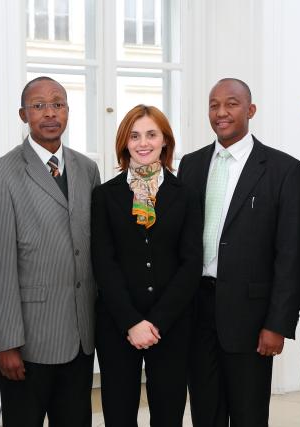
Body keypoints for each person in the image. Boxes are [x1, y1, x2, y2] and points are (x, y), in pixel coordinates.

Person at [178, 78, 300, 427]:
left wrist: (278, 323)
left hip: (251, 318)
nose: (221, 112)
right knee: (206, 412)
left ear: (250, 110)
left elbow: (290, 255)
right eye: (214, 104)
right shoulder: (191, 165)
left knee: (249, 415)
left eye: (231, 103)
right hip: (197, 311)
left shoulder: (284, 170)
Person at [0, 76, 100, 427]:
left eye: (58, 104)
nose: (50, 113)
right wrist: (7, 343)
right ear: (23, 114)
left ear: (67, 111)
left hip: (81, 335)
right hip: (29, 342)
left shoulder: (86, 169)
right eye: (38, 106)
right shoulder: (0, 174)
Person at [91, 105, 202, 426]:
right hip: (117, 326)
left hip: (172, 324)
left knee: (168, 415)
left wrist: (157, 321)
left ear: (165, 141)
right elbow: (104, 263)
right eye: (134, 135)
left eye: (151, 134)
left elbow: (191, 262)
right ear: (124, 143)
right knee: (119, 414)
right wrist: (132, 322)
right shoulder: (104, 195)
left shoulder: (186, 194)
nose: (143, 143)